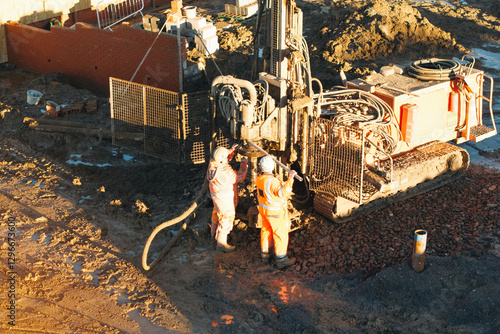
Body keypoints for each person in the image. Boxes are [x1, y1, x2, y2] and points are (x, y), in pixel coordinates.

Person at [256, 155, 297, 269]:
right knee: (280, 235)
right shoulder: (272, 181)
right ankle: (281, 260)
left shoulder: (259, 177)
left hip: (264, 210)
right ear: (272, 167)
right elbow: (284, 193)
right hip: (275, 213)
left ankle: (265, 255)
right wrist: (290, 178)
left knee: (266, 231)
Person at [207, 145, 248, 252]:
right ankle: (221, 245)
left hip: (217, 199)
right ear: (223, 159)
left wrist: (231, 152)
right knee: (226, 220)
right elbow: (240, 176)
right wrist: (244, 163)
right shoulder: (225, 173)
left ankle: (212, 237)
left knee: (216, 215)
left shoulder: (213, 164)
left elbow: (223, 160)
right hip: (225, 201)